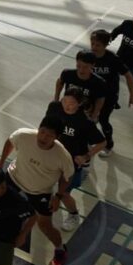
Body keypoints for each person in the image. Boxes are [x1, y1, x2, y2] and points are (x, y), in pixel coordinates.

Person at [0, 117, 74, 265]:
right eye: (42, 132)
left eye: (49, 135)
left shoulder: (62, 155)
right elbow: (10, 141)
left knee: (45, 225)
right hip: (14, 179)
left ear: (56, 137)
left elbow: (68, 177)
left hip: (40, 192)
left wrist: (58, 196)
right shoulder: (24, 135)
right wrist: (1, 163)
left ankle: (60, 250)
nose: (43, 137)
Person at [46, 88, 106, 232]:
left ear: (79, 104)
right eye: (65, 100)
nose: (67, 105)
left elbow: (102, 142)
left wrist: (86, 156)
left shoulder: (84, 122)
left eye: (71, 103)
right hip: (52, 155)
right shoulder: (54, 108)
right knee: (44, 183)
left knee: (64, 193)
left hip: (71, 162)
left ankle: (73, 215)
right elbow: (46, 125)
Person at [89, 29, 133, 158]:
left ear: (105, 45)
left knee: (103, 120)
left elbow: (128, 75)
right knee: (89, 117)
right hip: (93, 94)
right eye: (92, 43)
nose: (94, 47)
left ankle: (109, 145)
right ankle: (89, 139)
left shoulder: (113, 59)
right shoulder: (88, 56)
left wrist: (132, 95)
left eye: (98, 45)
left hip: (109, 96)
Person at [54, 50, 108, 122]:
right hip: (67, 108)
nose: (81, 70)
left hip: (85, 113)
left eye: (85, 67)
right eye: (78, 66)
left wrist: (94, 115)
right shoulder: (67, 74)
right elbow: (59, 83)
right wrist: (56, 100)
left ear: (93, 65)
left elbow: (100, 99)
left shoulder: (99, 82)